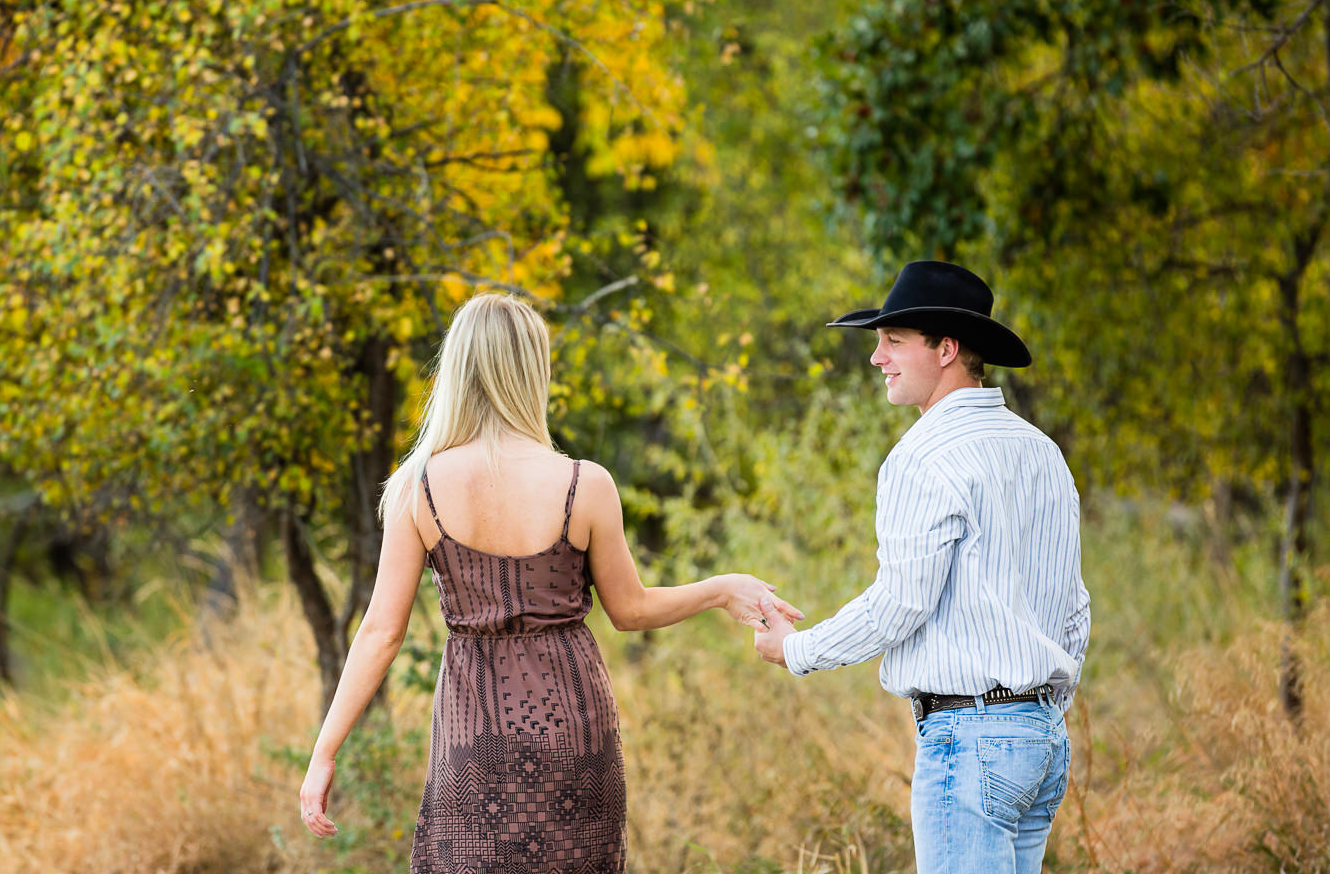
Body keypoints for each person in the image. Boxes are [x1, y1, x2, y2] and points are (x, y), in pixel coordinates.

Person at [298, 292, 803, 872]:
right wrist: (721, 587)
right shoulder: (585, 484)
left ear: (458, 368)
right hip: (574, 731)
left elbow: (380, 633)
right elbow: (631, 610)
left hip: (473, 730)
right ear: (532, 371)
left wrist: (325, 751)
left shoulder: (420, 487)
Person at [753, 260, 1090, 874]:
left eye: (894, 341)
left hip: (972, 739)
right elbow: (1074, 607)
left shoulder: (921, 457)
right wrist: (1042, 712)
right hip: (1042, 739)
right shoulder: (1043, 452)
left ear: (948, 350)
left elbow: (900, 603)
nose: (877, 357)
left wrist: (796, 649)